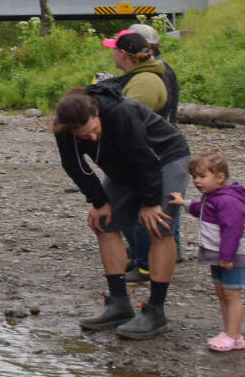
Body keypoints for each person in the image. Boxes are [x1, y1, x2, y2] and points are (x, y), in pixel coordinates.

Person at [52, 85, 193, 340]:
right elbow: (73, 165)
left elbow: (144, 159)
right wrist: (98, 201)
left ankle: (156, 311)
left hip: (166, 156)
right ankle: (118, 304)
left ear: (96, 112)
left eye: (94, 130)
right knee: (103, 223)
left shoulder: (120, 112)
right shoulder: (64, 127)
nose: (93, 138)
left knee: (159, 226)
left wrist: (151, 203)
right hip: (124, 165)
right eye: (85, 136)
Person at [106, 27, 176, 281]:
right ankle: (140, 259)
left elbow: (130, 123)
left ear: (123, 54)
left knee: (143, 211)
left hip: (149, 154)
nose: (111, 54)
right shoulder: (136, 76)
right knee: (134, 209)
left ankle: (146, 265)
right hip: (141, 152)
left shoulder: (144, 81)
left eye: (114, 49)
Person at [168, 148, 245, 352]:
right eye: (195, 176)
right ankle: (230, 332)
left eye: (202, 176)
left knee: (232, 295)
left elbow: (233, 230)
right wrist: (183, 203)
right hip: (217, 256)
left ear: (220, 177)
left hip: (231, 256)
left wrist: (227, 256)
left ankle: (234, 336)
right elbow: (200, 209)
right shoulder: (211, 197)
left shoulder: (228, 201)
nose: (196, 181)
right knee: (222, 293)